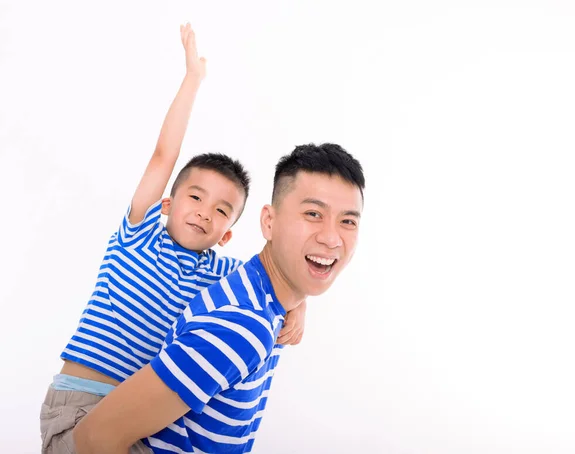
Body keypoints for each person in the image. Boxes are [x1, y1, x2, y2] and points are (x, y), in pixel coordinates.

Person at [40, 23, 306, 453]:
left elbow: (280, 273)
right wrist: (192, 79)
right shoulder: (140, 234)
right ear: (167, 204)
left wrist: (301, 303)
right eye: (195, 197)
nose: (205, 211)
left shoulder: (222, 273)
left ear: (227, 234)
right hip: (82, 404)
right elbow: (163, 156)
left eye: (221, 209)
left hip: (142, 424)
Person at [72, 142, 366, 453]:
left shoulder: (254, 291)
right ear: (269, 222)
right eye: (313, 213)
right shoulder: (243, 326)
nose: (331, 238)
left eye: (348, 221)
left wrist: (300, 301)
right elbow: (95, 437)